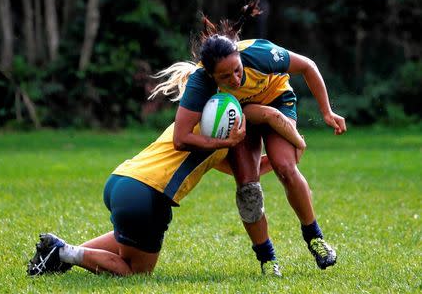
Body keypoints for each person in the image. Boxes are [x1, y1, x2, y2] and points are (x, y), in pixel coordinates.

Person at [150, 0, 346, 272]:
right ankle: (268, 260)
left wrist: (327, 112)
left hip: (277, 101)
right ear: (210, 74)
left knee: (286, 167)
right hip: (241, 118)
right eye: (225, 76)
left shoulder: (260, 53)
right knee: (247, 188)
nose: (235, 79)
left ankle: (315, 239)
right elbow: (180, 137)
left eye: (237, 69)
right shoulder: (200, 81)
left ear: (241, 58)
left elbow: (308, 67)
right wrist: (224, 143)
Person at [27, 103, 306, 277]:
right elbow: (268, 114)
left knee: (129, 240)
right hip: (147, 194)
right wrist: (296, 143)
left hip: (121, 180)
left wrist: (284, 163)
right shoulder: (221, 136)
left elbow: (244, 171)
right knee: (137, 271)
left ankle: (57, 258)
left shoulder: (194, 127)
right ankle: (65, 253)